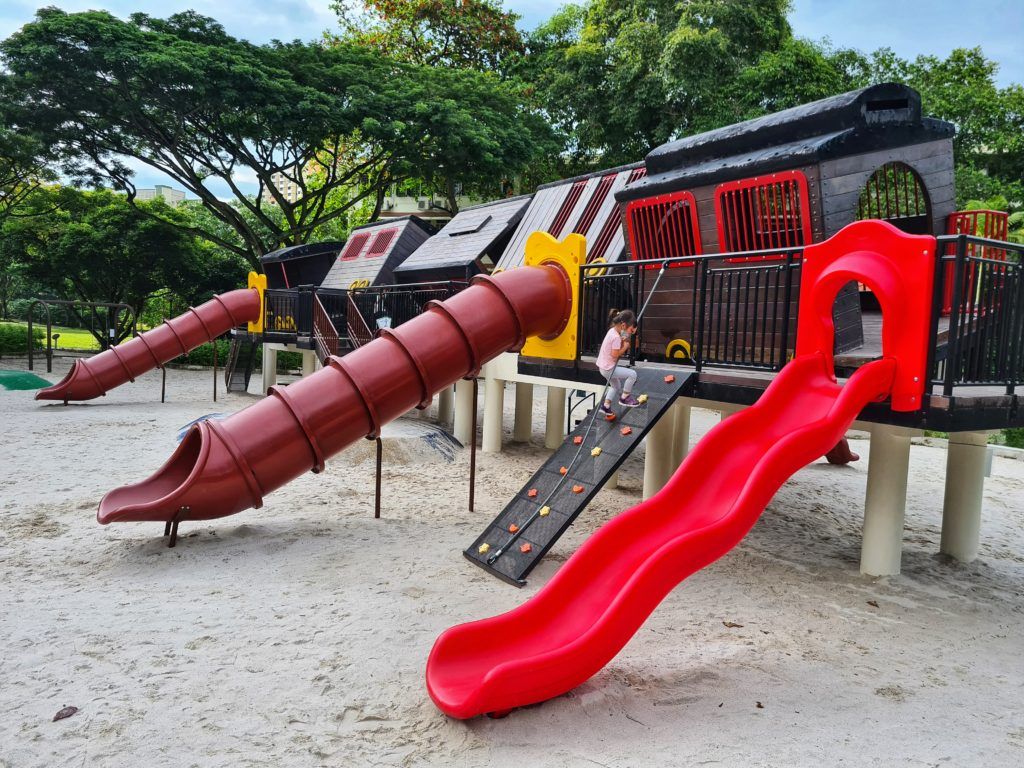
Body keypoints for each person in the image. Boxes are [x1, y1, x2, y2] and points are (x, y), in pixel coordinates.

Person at [596, 308, 639, 413]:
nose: (631, 334)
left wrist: (623, 339)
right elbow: (615, 355)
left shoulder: (612, 331)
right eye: (631, 331)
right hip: (609, 368)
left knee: (616, 386)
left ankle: (606, 406)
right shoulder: (616, 337)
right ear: (623, 325)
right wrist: (625, 346)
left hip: (602, 367)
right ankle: (625, 398)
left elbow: (618, 342)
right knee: (632, 374)